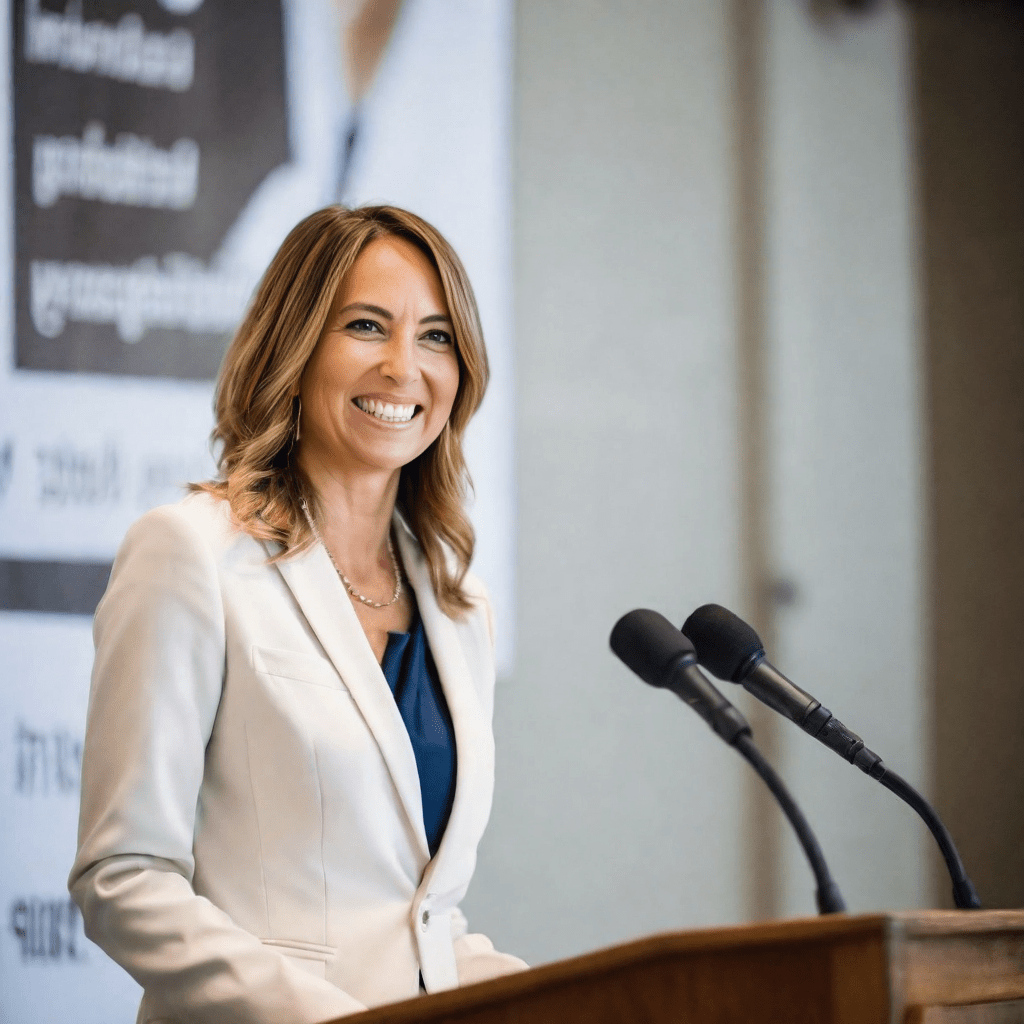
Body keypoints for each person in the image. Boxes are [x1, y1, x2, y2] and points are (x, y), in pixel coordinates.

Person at [69, 205, 528, 1023]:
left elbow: (414, 921)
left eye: (435, 336)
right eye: (365, 326)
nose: (402, 366)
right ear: (296, 344)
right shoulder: (190, 552)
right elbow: (123, 879)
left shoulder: (459, 605)